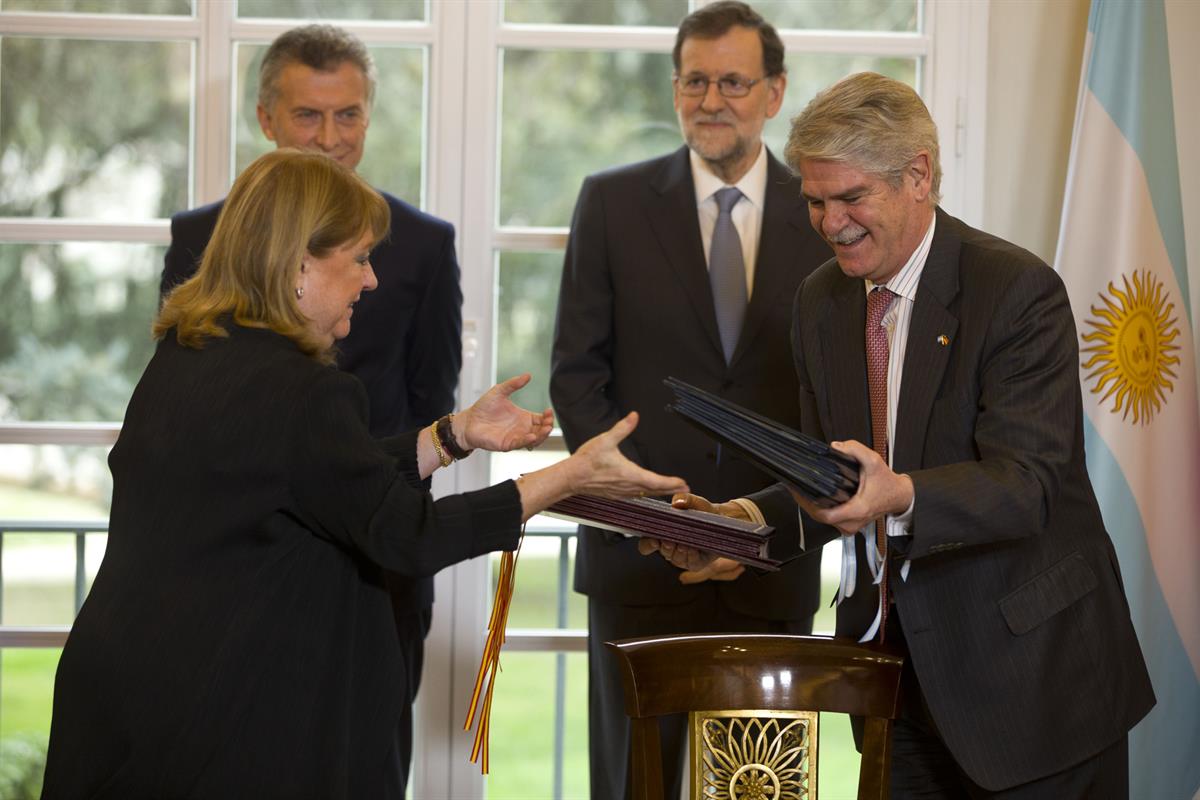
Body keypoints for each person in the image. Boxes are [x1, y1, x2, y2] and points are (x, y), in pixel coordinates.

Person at [40, 149, 687, 799]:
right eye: (357, 258)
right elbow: (408, 532)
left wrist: (454, 434)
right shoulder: (299, 389)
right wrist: (567, 476)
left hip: (131, 700)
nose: (371, 280)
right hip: (218, 725)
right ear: (298, 266)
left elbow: (321, 480)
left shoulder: (192, 354)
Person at [650, 72, 1156, 798]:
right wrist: (739, 526)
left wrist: (901, 495)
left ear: (918, 175)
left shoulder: (1016, 291)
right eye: (816, 201)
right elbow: (836, 477)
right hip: (894, 685)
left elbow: (1028, 486)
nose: (830, 223)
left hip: (1036, 687)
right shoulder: (820, 301)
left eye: (851, 198)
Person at [159, 25, 460, 791]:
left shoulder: (422, 245)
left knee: (373, 758)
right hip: (245, 554)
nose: (330, 139)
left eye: (348, 115)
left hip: (380, 553)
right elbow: (189, 403)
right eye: (307, 116)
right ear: (265, 119)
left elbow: (431, 396)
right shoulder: (201, 238)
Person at [548, 3, 831, 797]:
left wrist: (761, 519)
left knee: (760, 786)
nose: (712, 99)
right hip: (641, 559)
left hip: (772, 555)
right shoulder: (611, 202)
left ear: (775, 93)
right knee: (633, 784)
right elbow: (577, 372)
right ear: (675, 89)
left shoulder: (825, 216)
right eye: (695, 81)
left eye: (733, 82)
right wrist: (657, 511)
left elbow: (837, 396)